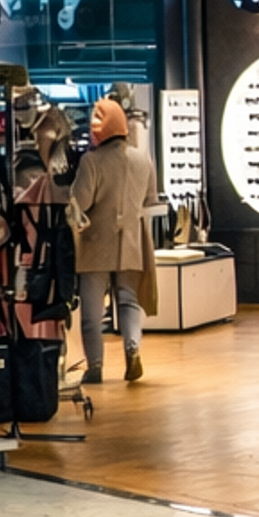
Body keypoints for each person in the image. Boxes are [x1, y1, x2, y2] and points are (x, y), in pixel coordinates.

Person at [69, 96, 156, 384]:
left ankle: (95, 367)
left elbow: (80, 202)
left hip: (95, 245)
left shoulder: (91, 161)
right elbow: (150, 199)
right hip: (131, 242)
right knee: (129, 302)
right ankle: (132, 348)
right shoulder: (142, 159)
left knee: (92, 315)